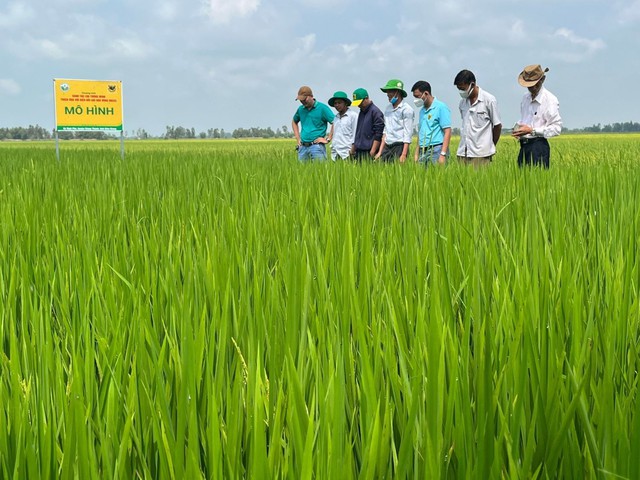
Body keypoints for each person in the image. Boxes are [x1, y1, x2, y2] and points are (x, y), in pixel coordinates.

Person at [512, 65, 562, 168]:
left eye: (534, 84)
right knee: (522, 180)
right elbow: (524, 119)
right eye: (528, 85)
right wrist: (518, 129)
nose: (532, 87)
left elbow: (556, 128)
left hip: (538, 147)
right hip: (524, 146)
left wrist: (532, 131)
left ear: (542, 80)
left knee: (538, 181)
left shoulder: (550, 100)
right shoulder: (525, 98)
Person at [453, 70, 502, 166]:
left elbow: (497, 126)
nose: (461, 92)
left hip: (481, 154)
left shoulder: (489, 100)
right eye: (459, 89)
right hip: (463, 152)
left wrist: (490, 146)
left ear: (472, 84)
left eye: (463, 89)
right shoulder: (462, 103)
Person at [411, 80, 452, 165]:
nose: (416, 100)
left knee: (437, 176)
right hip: (423, 150)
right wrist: (416, 153)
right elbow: (421, 132)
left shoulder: (441, 107)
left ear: (426, 93)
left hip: (436, 149)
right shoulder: (422, 111)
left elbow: (447, 131)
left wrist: (443, 154)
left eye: (418, 96)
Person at [375, 79, 415, 163]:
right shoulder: (388, 109)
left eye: (390, 92)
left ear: (398, 92)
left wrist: (403, 154)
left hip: (399, 146)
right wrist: (380, 152)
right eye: (387, 92)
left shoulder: (407, 109)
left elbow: (407, 133)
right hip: (387, 146)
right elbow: (385, 131)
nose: (388, 94)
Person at [292, 86, 334, 162]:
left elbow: (335, 122)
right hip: (303, 147)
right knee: (302, 172)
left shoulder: (322, 108)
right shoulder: (300, 109)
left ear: (311, 96)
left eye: (304, 99)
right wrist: (298, 138)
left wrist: (328, 139)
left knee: (320, 172)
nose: (302, 102)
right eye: (300, 100)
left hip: (317, 147)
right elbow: (294, 121)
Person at [350, 88, 385, 162]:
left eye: (360, 103)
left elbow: (378, 134)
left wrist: (372, 152)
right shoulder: (361, 112)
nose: (358, 105)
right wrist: (353, 148)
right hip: (359, 151)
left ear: (366, 98)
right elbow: (358, 132)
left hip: (369, 151)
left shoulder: (376, 112)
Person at [327, 91, 358, 160]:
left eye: (339, 103)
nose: (337, 105)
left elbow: (356, 135)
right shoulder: (336, 117)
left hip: (347, 153)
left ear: (346, 103)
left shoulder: (353, 116)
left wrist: (352, 151)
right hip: (335, 154)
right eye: (335, 103)